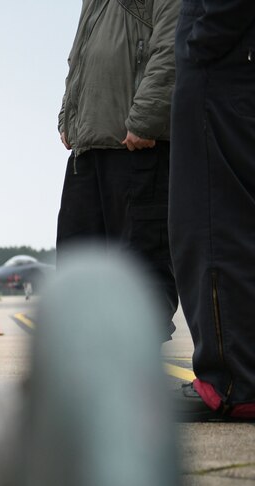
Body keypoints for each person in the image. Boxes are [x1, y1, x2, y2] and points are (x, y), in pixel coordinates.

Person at [56, 0, 181, 341]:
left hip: (138, 146)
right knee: (78, 266)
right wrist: (68, 115)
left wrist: (146, 119)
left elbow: (171, 46)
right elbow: (80, 53)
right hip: (88, 146)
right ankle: (86, 367)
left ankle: (137, 371)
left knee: (140, 269)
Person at [169, 0, 255, 420]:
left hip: (220, 71)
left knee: (211, 224)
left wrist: (195, 45)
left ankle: (229, 382)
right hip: (230, 67)